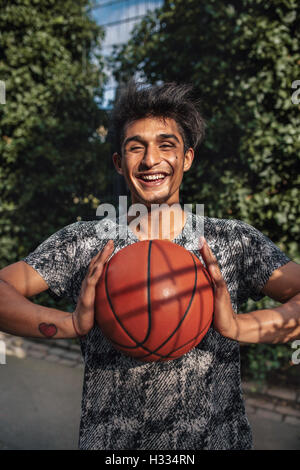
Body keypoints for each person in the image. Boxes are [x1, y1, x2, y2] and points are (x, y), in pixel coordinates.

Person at [0, 81, 299, 450]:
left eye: (166, 145)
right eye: (134, 147)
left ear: (187, 158)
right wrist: (69, 323)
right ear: (118, 163)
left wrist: (239, 326)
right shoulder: (84, 241)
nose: (150, 160)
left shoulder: (233, 240)